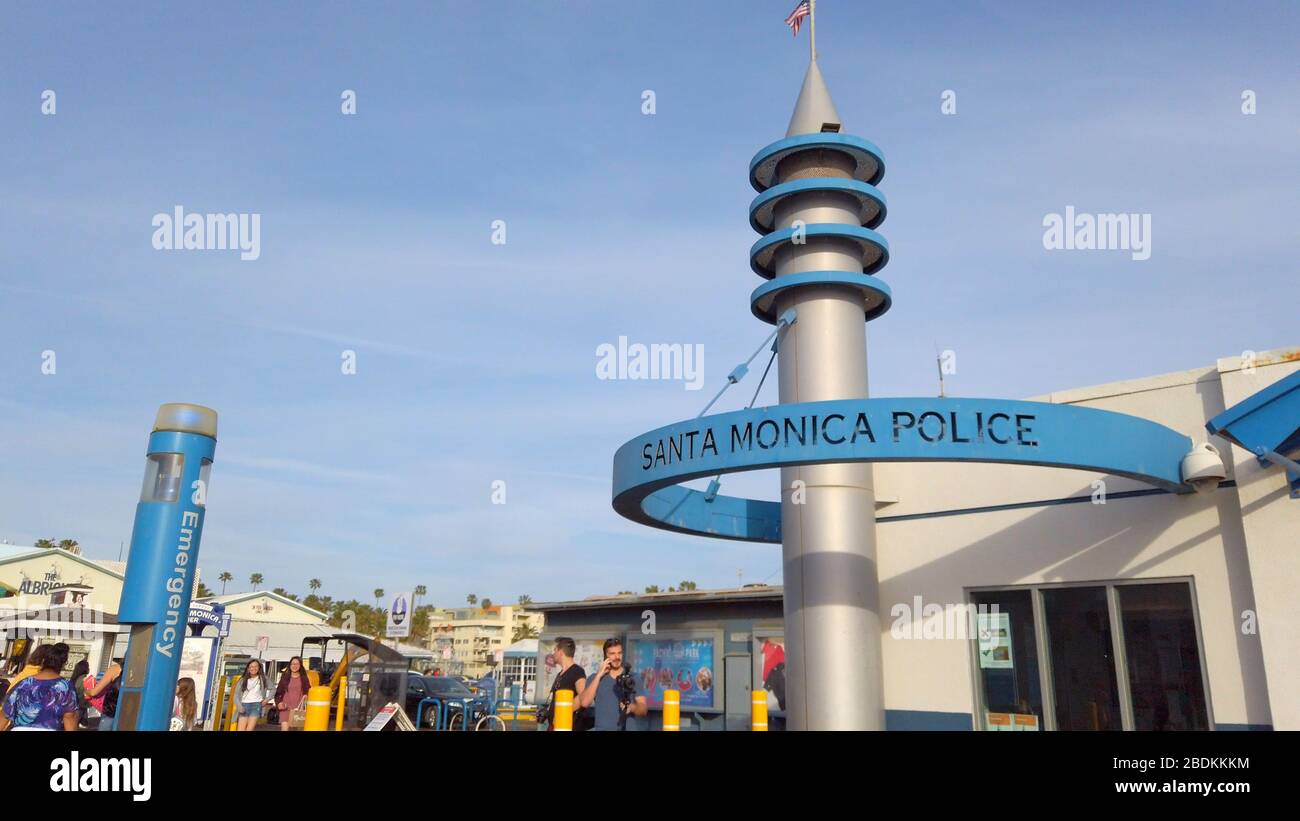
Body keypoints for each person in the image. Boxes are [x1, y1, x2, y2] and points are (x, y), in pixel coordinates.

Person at [0, 642, 78, 731]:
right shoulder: (65, 687)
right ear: (64, 664)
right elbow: (69, 717)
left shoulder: (24, 683)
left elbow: (5, 713)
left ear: (43, 662)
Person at [575, 638, 647, 731]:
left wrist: (631, 707)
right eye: (612, 654)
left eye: (619, 653)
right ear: (606, 656)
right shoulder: (595, 678)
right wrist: (599, 675)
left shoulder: (633, 677)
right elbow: (585, 703)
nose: (617, 657)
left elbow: (643, 709)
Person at [543, 637, 587, 731]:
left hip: (567, 726)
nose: (553, 653)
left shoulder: (577, 671)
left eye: (555, 650)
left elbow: (583, 695)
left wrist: (562, 713)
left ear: (560, 652)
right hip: (554, 726)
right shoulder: (561, 673)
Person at [274, 656, 310, 731]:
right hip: (285, 707)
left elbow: (308, 691)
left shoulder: (304, 678)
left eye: (297, 664)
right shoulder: (285, 677)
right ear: (289, 665)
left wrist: (306, 695)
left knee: (295, 729)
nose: (294, 666)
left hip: (298, 709)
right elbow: (278, 692)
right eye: (292, 664)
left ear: (300, 666)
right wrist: (279, 703)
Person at [85, 658, 122, 731]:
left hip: (111, 711)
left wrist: (87, 692)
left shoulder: (115, 669)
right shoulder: (139, 670)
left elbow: (94, 692)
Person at [236, 659, 271, 731]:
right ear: (248, 668)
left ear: (259, 668)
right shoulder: (242, 680)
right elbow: (236, 695)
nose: (253, 668)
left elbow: (273, 689)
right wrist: (239, 706)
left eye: (256, 666)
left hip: (256, 705)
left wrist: (267, 699)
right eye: (251, 666)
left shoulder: (263, 678)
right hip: (244, 705)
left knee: (249, 729)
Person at [69, 659, 91, 727]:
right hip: (80, 707)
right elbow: (84, 694)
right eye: (88, 667)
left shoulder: (74, 679)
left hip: (73, 706)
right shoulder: (84, 680)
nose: (89, 669)